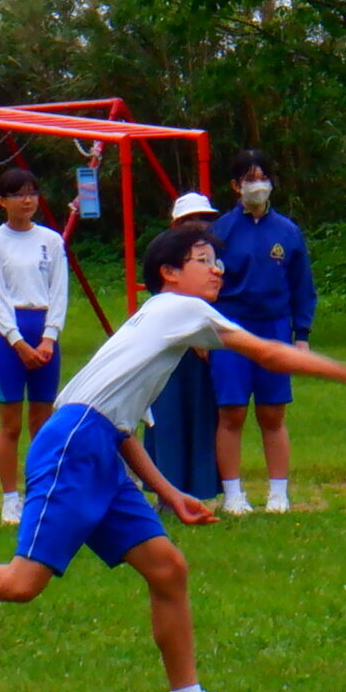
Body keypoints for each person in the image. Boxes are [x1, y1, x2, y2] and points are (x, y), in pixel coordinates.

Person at [0, 223, 346, 692]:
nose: (216, 270)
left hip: (97, 446)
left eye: (216, 261)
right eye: (203, 260)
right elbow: (265, 352)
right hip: (73, 446)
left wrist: (170, 493)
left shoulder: (159, 324)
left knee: (167, 568)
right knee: (22, 584)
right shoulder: (182, 308)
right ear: (170, 274)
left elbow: (121, 428)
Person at [207, 149, 317, 514]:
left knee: (272, 413)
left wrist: (301, 335)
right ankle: (234, 494)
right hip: (230, 330)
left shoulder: (287, 232)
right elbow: (206, 287)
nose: (257, 186)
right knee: (232, 412)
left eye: (262, 178)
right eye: (249, 179)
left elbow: (302, 286)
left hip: (274, 327)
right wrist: (203, 334)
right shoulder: (220, 231)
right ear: (235, 186)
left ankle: (278, 493)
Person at [0, 167, 68, 529]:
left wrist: (49, 337)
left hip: (44, 328)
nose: (27, 200)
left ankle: (42, 490)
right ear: (2, 201)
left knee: (43, 421)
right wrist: (17, 342)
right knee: (11, 423)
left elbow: (59, 291)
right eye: (18, 194)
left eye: (32, 192)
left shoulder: (52, 240)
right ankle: (9, 499)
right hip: (8, 335)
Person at [140, 190, 221, 511]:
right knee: (168, 419)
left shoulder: (212, 254)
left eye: (204, 219)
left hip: (202, 353)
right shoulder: (166, 256)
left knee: (200, 417)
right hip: (171, 351)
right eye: (191, 220)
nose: (199, 226)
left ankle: (199, 491)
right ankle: (166, 493)